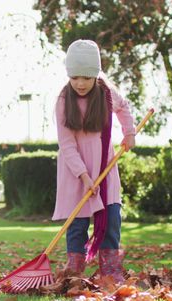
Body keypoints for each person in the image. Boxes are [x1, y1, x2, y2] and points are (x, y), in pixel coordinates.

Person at [52, 40, 136, 283]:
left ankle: (110, 270)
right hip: (74, 170)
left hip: (104, 166)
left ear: (96, 74)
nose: (80, 83)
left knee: (111, 217)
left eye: (86, 77)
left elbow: (124, 108)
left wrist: (129, 133)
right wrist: (84, 176)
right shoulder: (62, 100)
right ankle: (75, 270)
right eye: (75, 77)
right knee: (77, 222)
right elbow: (67, 145)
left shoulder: (107, 93)